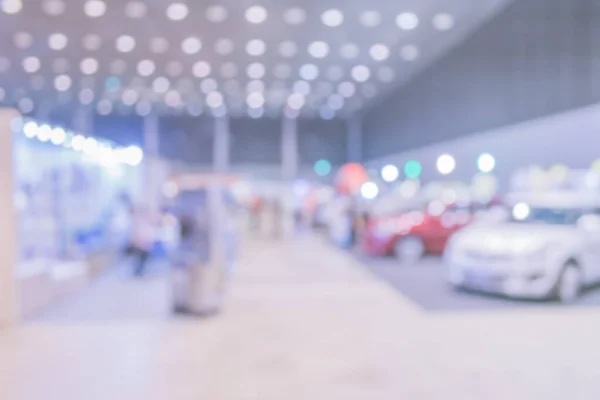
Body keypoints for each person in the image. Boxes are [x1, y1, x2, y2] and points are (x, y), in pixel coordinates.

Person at [129, 205, 156, 277]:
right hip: (140, 243)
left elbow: (148, 233)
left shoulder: (145, 223)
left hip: (145, 244)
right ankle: (137, 272)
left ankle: (139, 271)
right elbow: (136, 233)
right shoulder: (138, 222)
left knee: (143, 259)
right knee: (139, 259)